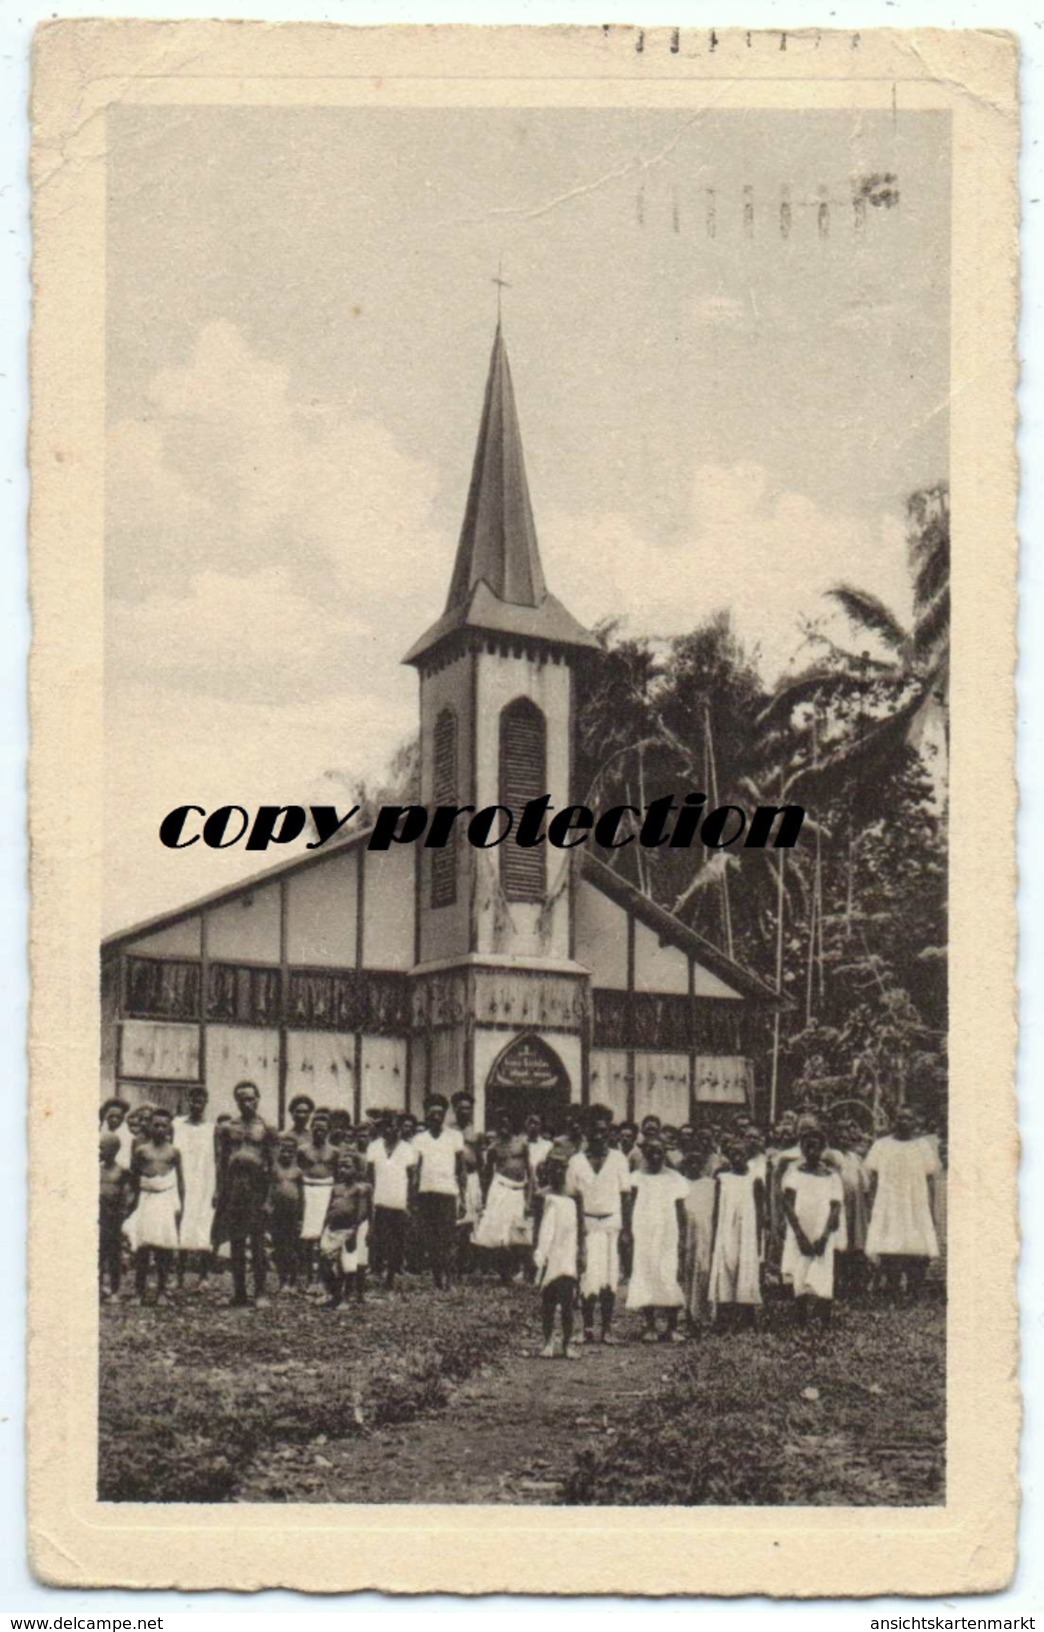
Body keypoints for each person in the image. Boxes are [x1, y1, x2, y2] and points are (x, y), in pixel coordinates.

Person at [566, 1104, 632, 1344]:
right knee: (588, 1278)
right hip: (587, 1225)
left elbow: (626, 1197)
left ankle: (607, 1328)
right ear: (586, 1131)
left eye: (603, 1130)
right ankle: (586, 1328)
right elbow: (572, 1198)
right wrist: (575, 1232)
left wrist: (626, 1230)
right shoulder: (576, 1161)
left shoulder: (619, 1159)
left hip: (612, 1224)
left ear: (609, 1132)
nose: (598, 1135)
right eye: (593, 1129)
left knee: (609, 1277)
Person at [864, 1105, 940, 1301]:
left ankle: (915, 1289)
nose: (903, 1122)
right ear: (893, 1120)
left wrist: (931, 1207)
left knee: (918, 1245)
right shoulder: (881, 1146)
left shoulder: (923, 1146)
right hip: (889, 1202)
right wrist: (873, 1205)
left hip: (916, 1202)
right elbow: (872, 1178)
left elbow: (930, 1180)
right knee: (890, 1244)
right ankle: (892, 1288)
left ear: (914, 1122)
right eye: (900, 1118)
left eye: (908, 1118)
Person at [212, 1080, 274, 1308]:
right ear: (236, 1102)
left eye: (251, 1098)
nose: (247, 1103)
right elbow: (220, 1162)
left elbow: (273, 1164)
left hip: (257, 1188)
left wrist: (268, 1198)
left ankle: (260, 1292)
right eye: (242, 1099)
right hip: (234, 1188)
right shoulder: (227, 1128)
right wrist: (219, 1191)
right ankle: (239, 1292)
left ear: (258, 1099)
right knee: (236, 1242)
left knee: (258, 1243)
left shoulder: (266, 1128)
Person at [781, 1125, 845, 1325]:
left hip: (822, 1230)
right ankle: (800, 1317)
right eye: (807, 1147)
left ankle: (824, 1317)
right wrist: (799, 1234)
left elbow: (835, 1208)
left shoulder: (832, 1177)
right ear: (801, 1148)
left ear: (823, 1148)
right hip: (800, 1229)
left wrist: (825, 1236)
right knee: (800, 1270)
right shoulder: (794, 1173)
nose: (811, 1152)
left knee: (823, 1270)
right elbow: (788, 1205)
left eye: (815, 1147)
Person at [627, 1137, 689, 1342]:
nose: (655, 1156)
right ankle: (650, 1325)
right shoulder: (636, 1177)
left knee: (668, 1273)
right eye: (651, 1152)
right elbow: (630, 1205)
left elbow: (681, 1210)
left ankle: (672, 1327)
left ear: (665, 1154)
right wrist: (628, 1231)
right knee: (647, 1272)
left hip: (668, 1232)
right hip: (644, 1232)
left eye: (659, 1152)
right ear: (644, 1154)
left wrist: (682, 1237)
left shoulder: (675, 1178)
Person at [708, 1136, 764, 1328]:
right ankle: (723, 1317)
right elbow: (716, 1209)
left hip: (747, 1231)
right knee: (725, 1264)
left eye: (741, 1153)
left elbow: (759, 1212)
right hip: (726, 1229)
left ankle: (747, 1318)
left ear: (749, 1155)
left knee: (746, 1267)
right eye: (733, 1153)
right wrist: (715, 1233)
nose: (737, 1157)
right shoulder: (722, 1178)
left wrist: (758, 1240)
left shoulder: (755, 1179)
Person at [130, 1106, 184, 1303]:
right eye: (156, 1125)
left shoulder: (174, 1152)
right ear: (150, 1127)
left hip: (165, 1200)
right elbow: (134, 1178)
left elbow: (181, 1181)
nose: (160, 1128)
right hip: (146, 1198)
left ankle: (162, 1291)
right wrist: (133, 1205)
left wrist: (181, 1207)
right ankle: (139, 1292)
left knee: (164, 1248)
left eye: (164, 1125)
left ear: (169, 1128)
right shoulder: (141, 1150)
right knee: (143, 1247)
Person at [413, 1095, 466, 1289]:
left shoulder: (455, 1137)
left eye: (440, 1113)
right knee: (431, 1239)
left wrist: (463, 1198)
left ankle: (450, 1279)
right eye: (432, 1113)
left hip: (448, 1193)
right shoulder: (419, 1139)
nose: (436, 1116)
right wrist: (413, 1198)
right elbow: (415, 1170)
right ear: (426, 1114)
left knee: (448, 1238)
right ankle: (437, 1278)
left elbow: (461, 1170)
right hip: (426, 1193)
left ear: (445, 1114)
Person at [533, 1151, 581, 1359]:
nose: (558, 1171)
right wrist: (536, 1254)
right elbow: (537, 1227)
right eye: (554, 1167)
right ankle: (547, 1341)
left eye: (562, 1167)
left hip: (569, 1249)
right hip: (549, 1250)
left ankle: (568, 1342)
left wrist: (583, 1253)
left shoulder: (574, 1194)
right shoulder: (541, 1195)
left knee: (567, 1299)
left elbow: (581, 1225)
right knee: (548, 1299)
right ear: (548, 1169)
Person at [473, 1108, 530, 1280]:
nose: (503, 1126)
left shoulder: (522, 1144)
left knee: (516, 1231)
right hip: (500, 1189)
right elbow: (487, 1174)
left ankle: (517, 1269)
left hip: (518, 1190)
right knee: (499, 1231)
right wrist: (484, 1199)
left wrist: (529, 1197)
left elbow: (530, 1170)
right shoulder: (493, 1148)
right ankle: (503, 1271)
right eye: (500, 1123)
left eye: (507, 1122)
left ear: (512, 1124)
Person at [367, 1111, 417, 1289]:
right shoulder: (374, 1147)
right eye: (388, 1126)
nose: (391, 1129)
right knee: (380, 1239)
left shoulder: (407, 1149)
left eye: (395, 1126)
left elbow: (412, 1179)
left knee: (397, 1240)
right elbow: (369, 1176)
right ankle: (376, 1271)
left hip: (399, 1201)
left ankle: (392, 1276)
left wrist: (410, 1204)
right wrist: (370, 1199)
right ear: (382, 1128)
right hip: (379, 1200)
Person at [173, 1084, 216, 1286]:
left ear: (206, 1103)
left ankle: (204, 1276)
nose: (196, 1104)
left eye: (200, 1101)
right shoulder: (177, 1124)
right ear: (188, 1101)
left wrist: (215, 1187)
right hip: (182, 1179)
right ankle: (179, 1276)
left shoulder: (212, 1128)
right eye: (193, 1100)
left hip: (205, 1180)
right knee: (181, 1222)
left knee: (203, 1224)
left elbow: (215, 1158)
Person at [319, 1151, 373, 1308]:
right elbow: (329, 1210)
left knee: (349, 1266)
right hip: (332, 1230)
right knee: (326, 1263)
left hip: (350, 1230)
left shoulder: (361, 1189)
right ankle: (333, 1294)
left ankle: (347, 1297)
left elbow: (364, 1212)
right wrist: (323, 1229)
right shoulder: (336, 1188)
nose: (343, 1170)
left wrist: (356, 1231)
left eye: (347, 1167)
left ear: (357, 1169)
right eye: (340, 1167)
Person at [680, 1144, 718, 1333]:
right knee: (686, 1272)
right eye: (690, 1163)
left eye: (697, 1163)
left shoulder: (710, 1185)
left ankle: (704, 1315)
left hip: (705, 1233)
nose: (694, 1166)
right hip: (686, 1234)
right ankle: (687, 1314)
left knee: (704, 1271)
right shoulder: (680, 1183)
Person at [297, 1105, 336, 1283]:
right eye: (316, 1128)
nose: (319, 1132)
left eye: (323, 1129)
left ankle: (322, 1278)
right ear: (312, 1129)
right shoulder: (303, 1150)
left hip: (326, 1190)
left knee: (323, 1235)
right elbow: (297, 1172)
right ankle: (308, 1277)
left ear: (328, 1131)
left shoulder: (335, 1152)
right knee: (307, 1236)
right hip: (308, 1191)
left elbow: (338, 1174)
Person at [835, 1121, 871, 1299]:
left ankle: (855, 1285)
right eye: (840, 1135)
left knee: (855, 1244)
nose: (845, 1139)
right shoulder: (830, 1157)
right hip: (837, 1205)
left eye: (848, 1136)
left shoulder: (855, 1159)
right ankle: (837, 1283)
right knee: (838, 1244)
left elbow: (865, 1186)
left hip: (855, 1206)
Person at [269, 1134, 304, 1291]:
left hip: (293, 1213)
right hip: (277, 1213)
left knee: (293, 1248)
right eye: (284, 1151)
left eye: (290, 1152)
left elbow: (302, 1196)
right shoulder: (274, 1169)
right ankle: (282, 1280)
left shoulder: (297, 1172)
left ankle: (293, 1280)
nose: (286, 1154)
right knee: (279, 1247)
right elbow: (269, 1190)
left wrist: (301, 1217)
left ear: (295, 1153)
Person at [99, 1131, 131, 1298]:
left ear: (114, 1150)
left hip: (114, 1219)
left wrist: (123, 1213)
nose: (99, 1151)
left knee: (114, 1256)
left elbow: (128, 1193)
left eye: (102, 1148)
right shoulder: (96, 1169)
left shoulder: (122, 1171)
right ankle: (98, 1288)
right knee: (99, 1254)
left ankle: (114, 1290)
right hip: (99, 1218)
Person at [99, 1097, 133, 1170]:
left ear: (123, 1117)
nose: (114, 1119)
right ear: (105, 1115)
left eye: (118, 1117)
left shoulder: (127, 1137)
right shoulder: (100, 1131)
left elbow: (125, 1161)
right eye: (111, 1116)